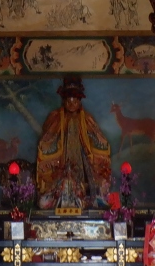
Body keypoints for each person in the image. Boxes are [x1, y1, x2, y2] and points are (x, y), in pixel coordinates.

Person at [35, 77, 112, 210]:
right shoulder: (55, 117)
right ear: (63, 101)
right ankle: (61, 198)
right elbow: (48, 136)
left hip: (80, 154)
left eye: (75, 101)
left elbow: (97, 136)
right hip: (62, 155)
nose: (72, 105)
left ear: (79, 101)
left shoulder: (86, 118)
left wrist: (97, 144)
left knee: (83, 181)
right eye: (69, 101)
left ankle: (82, 197)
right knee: (61, 181)